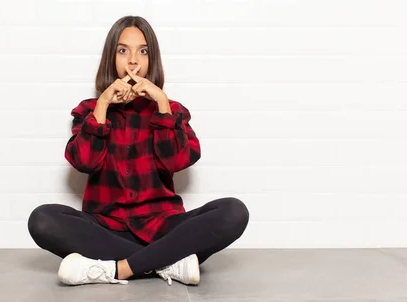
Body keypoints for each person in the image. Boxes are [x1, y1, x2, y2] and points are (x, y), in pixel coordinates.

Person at [28, 15, 249, 286]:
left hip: (163, 228)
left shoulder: (172, 110)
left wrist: (162, 105)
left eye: (142, 51)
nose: (133, 61)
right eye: (123, 51)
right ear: (111, 58)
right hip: (106, 229)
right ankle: (166, 263)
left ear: (151, 60)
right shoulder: (88, 110)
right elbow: (83, 162)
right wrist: (103, 106)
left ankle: (117, 269)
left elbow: (179, 160)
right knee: (42, 219)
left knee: (233, 211)